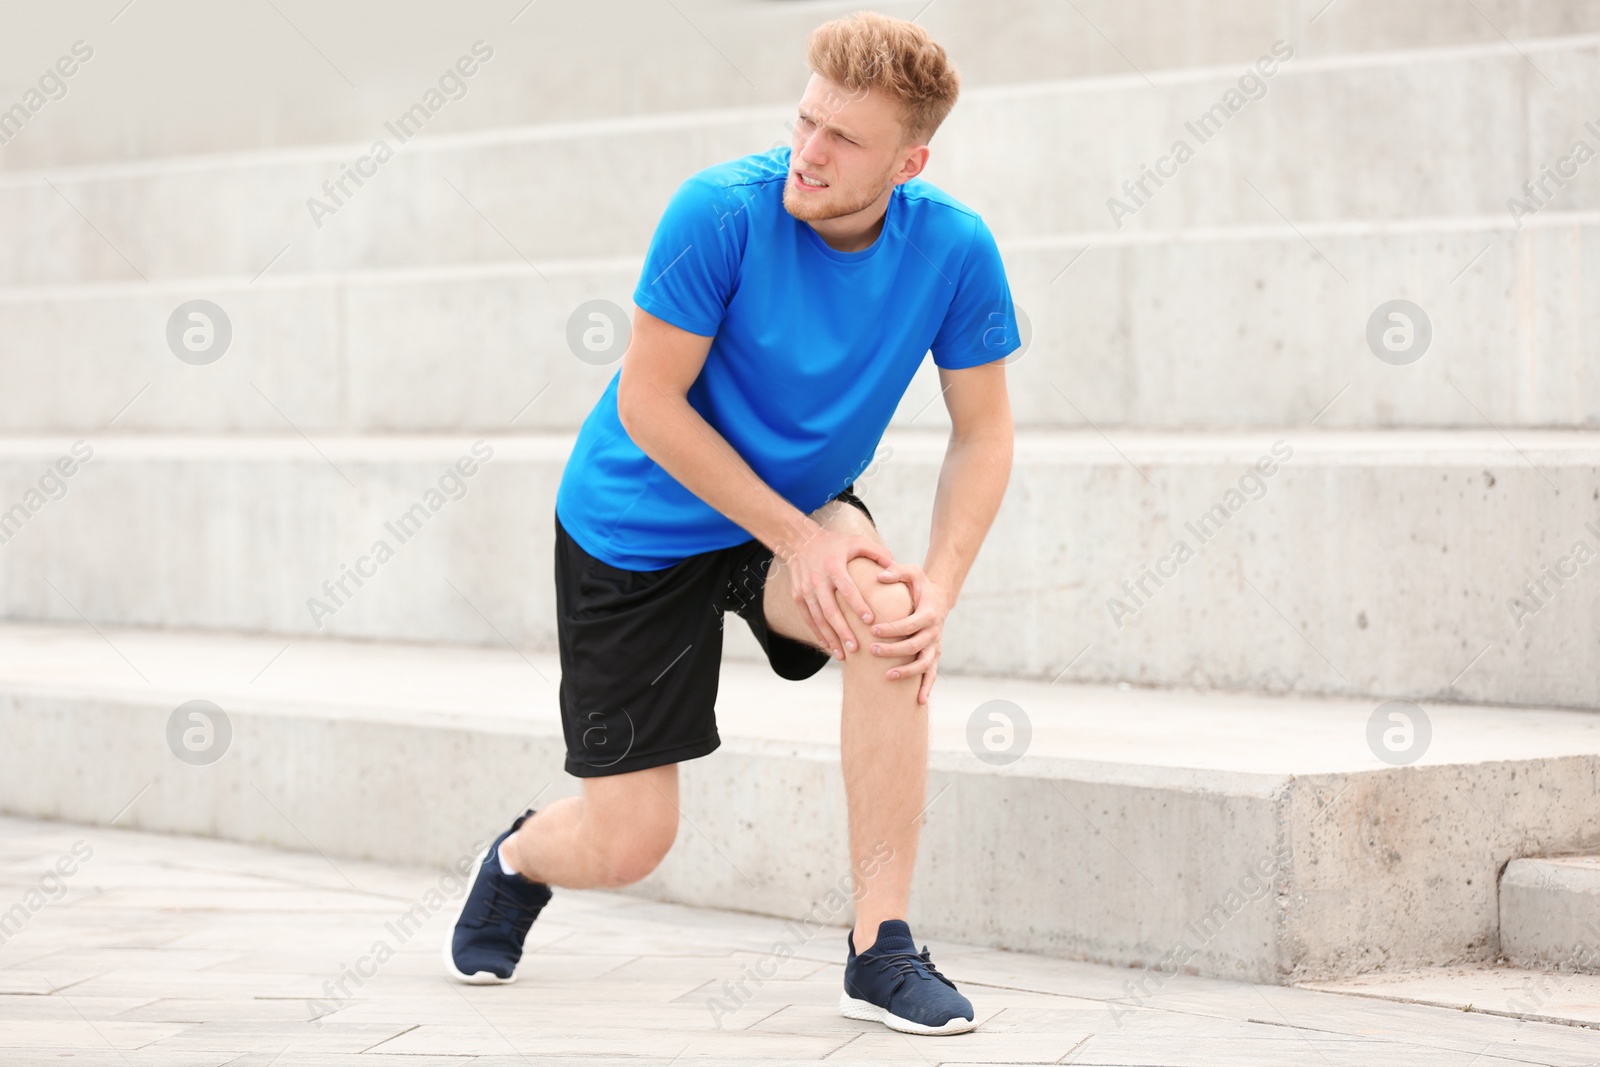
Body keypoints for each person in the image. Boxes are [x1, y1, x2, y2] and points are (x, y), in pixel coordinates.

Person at [445, 10, 1018, 1037]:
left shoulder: (954, 248)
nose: (810, 151)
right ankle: (520, 853)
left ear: (910, 159)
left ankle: (878, 945)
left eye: (844, 139)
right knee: (631, 844)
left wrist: (936, 582)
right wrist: (800, 535)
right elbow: (648, 404)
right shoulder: (717, 212)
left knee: (887, 616)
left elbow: (983, 433)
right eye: (806, 120)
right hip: (637, 525)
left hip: (787, 513)